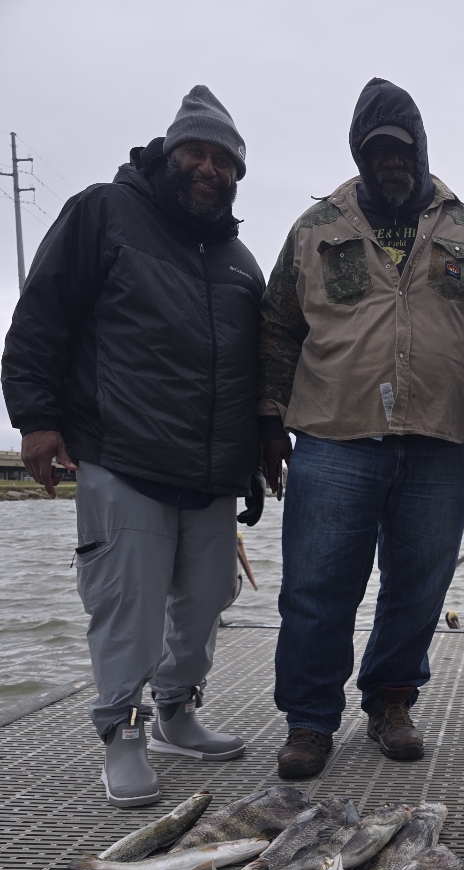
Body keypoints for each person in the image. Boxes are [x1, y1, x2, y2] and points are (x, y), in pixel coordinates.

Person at [1, 86, 266, 808]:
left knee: (210, 596)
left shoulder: (241, 260)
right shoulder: (103, 213)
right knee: (128, 604)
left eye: (225, 161)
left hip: (212, 470)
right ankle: (122, 729)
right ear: (167, 154)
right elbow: (41, 316)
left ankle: (177, 711)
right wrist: (35, 419)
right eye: (197, 153)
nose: (210, 169)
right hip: (123, 454)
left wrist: (262, 449)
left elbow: (257, 368)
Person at [259, 77, 464, 780]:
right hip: (332, 436)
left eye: (401, 148)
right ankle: (311, 722)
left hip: (439, 441)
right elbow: (277, 329)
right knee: (317, 587)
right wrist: (266, 424)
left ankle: (391, 703)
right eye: (375, 149)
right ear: (357, 151)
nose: (389, 160)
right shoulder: (316, 229)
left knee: (418, 585)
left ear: (420, 148)